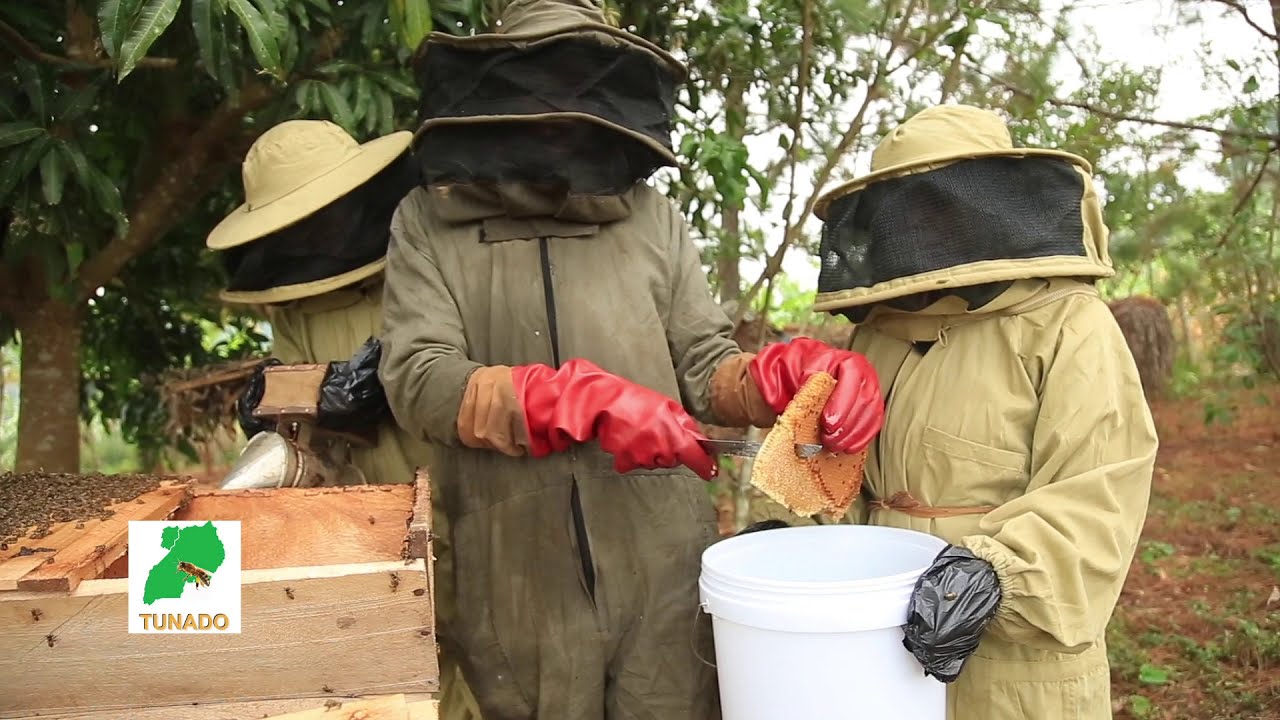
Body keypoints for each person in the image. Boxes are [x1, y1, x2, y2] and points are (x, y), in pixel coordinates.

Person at [377, 1, 886, 718]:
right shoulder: (426, 222)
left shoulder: (654, 217)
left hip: (662, 560)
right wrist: (572, 401)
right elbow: (418, 379)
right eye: (545, 83)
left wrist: (773, 378)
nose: (565, 106)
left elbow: (704, 365)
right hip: (515, 570)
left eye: (583, 82)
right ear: (499, 93)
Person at [762, 104, 1158, 719]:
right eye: (906, 208)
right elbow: (831, 471)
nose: (923, 223)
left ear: (989, 203)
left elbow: (1101, 489)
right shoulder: (877, 334)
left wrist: (997, 575)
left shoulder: (1070, 323)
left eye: (940, 201)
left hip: (1017, 667)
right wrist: (788, 544)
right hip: (877, 642)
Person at [204, 119, 483, 719]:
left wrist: (403, 373)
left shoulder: (438, 257)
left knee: (483, 674)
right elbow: (295, 423)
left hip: (468, 504)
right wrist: (274, 401)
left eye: (326, 213)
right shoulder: (293, 299)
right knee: (395, 682)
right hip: (364, 520)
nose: (317, 233)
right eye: (300, 222)